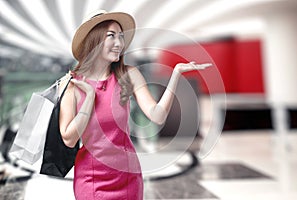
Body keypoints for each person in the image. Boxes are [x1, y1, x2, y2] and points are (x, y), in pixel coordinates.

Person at [59, 10, 211, 200]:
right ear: (95, 40)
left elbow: (158, 115)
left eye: (121, 37)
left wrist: (175, 74)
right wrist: (89, 98)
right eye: (111, 36)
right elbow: (69, 139)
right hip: (91, 179)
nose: (119, 43)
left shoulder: (128, 75)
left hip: (127, 176)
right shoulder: (73, 85)